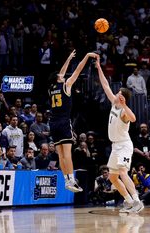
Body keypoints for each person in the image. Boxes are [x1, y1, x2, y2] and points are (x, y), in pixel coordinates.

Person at [95, 56, 144, 213]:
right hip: (115, 146)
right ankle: (128, 201)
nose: (114, 93)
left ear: (122, 97)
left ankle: (137, 201)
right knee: (112, 177)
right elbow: (105, 84)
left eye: (118, 93)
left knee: (123, 172)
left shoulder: (123, 111)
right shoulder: (113, 103)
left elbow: (134, 118)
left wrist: (124, 105)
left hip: (124, 145)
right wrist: (98, 67)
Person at [48, 50, 98, 192]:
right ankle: (71, 179)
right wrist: (87, 56)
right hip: (63, 122)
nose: (64, 76)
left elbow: (61, 72)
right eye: (61, 76)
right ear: (59, 78)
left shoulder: (51, 88)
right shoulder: (66, 85)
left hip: (53, 123)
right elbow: (78, 70)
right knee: (67, 153)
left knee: (61, 154)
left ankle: (66, 180)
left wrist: (69, 58)